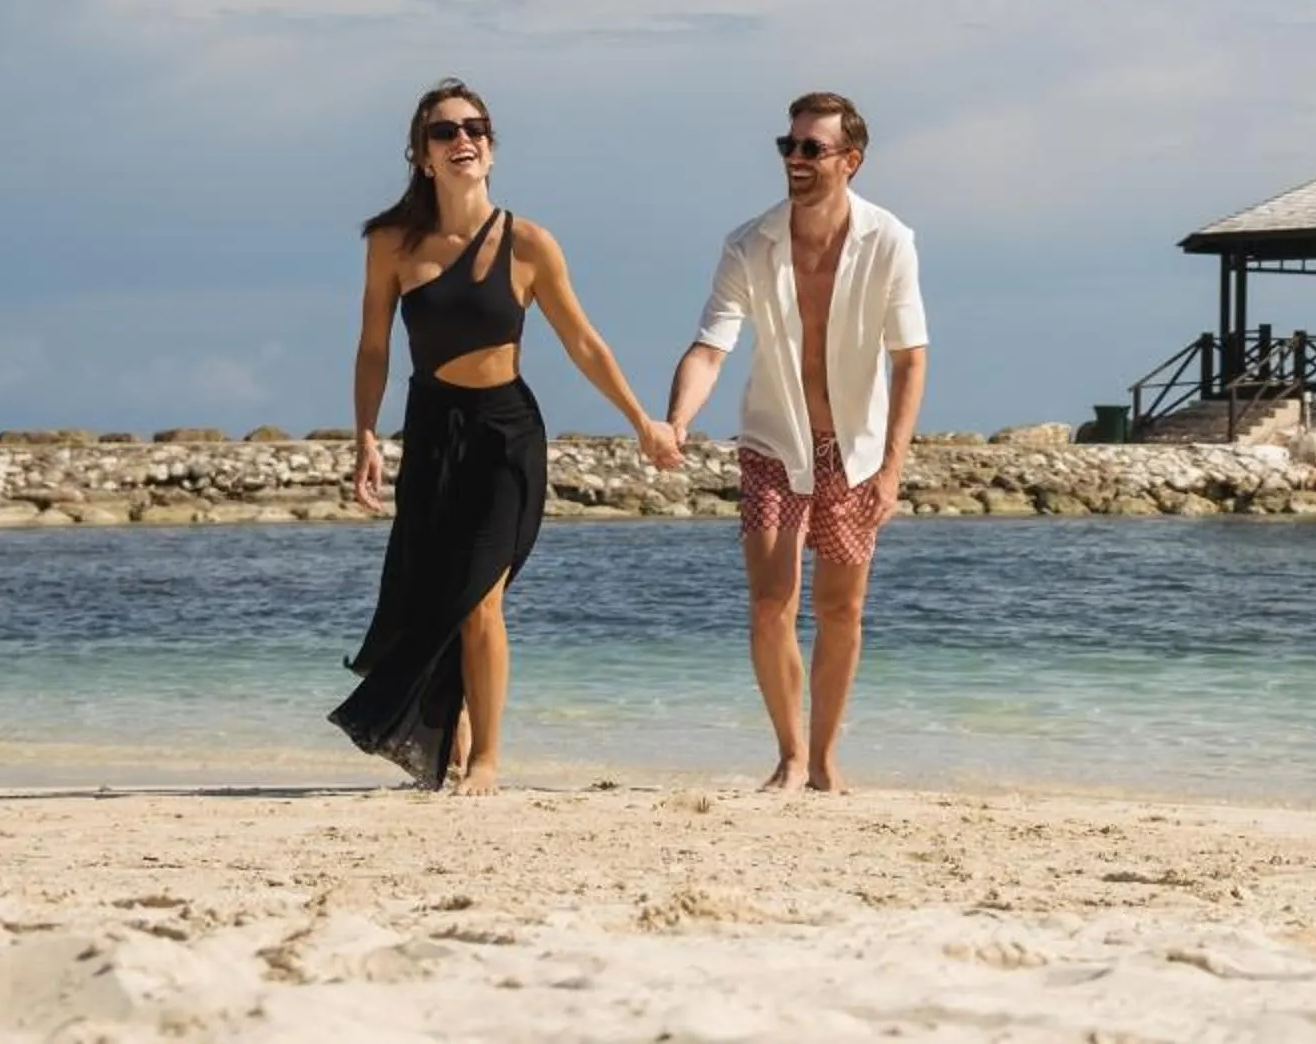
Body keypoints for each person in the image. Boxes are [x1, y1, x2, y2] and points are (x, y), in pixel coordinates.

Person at [331, 78, 680, 794]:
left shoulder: (528, 244)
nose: (464, 140)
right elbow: (373, 347)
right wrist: (366, 434)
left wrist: (641, 419)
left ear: (491, 148)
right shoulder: (392, 243)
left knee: (481, 598)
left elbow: (584, 343)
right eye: (445, 132)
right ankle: (450, 748)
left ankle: (487, 759)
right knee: (434, 597)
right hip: (431, 430)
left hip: (506, 436)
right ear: (421, 155)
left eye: (476, 129)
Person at [665, 91, 928, 793]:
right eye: (789, 146)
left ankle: (826, 759)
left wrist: (892, 470)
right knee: (769, 602)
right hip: (774, 442)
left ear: (851, 161)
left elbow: (910, 358)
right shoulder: (750, 244)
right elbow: (710, 346)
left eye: (813, 148)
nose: (797, 160)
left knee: (842, 608)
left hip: (857, 449)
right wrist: (680, 419)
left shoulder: (889, 241)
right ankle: (789, 754)